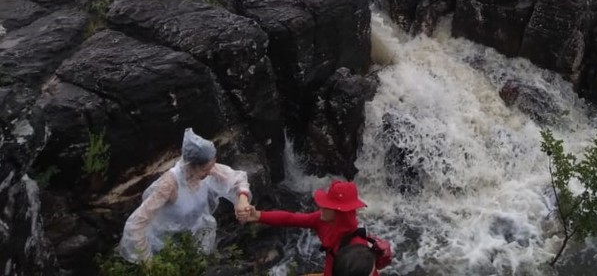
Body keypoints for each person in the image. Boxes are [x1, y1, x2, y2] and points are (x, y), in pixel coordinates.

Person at [119, 128, 252, 263]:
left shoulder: (207, 169)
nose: (210, 172)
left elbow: (237, 178)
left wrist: (242, 199)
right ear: (192, 166)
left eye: (212, 166)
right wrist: (148, 263)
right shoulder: (169, 185)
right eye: (206, 169)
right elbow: (136, 223)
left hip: (194, 242)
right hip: (164, 249)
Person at [238, 180, 392, 276]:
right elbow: (291, 218)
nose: (321, 207)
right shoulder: (322, 219)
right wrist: (258, 215)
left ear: (340, 212)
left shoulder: (357, 245)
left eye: (327, 206)